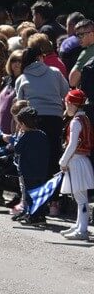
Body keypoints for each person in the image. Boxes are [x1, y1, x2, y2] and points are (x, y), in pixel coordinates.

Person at [15, 46, 69, 186]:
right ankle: (54, 195)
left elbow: (20, 105)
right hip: (55, 119)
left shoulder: (21, 78)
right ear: (40, 57)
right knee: (54, 153)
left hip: (32, 119)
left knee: (35, 156)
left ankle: (36, 189)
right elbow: (66, 93)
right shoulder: (55, 72)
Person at [2, 105, 48, 225]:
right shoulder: (42, 134)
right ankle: (41, 216)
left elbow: (17, 149)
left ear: (23, 124)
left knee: (29, 195)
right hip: (42, 171)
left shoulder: (26, 136)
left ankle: (34, 217)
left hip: (28, 171)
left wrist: (12, 140)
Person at [60, 89, 94, 240]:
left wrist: (63, 161)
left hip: (76, 161)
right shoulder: (84, 119)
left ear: (73, 104)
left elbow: (72, 145)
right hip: (81, 160)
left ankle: (82, 229)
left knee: (81, 199)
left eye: (67, 103)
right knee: (80, 198)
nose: (66, 106)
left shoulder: (75, 121)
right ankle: (79, 225)